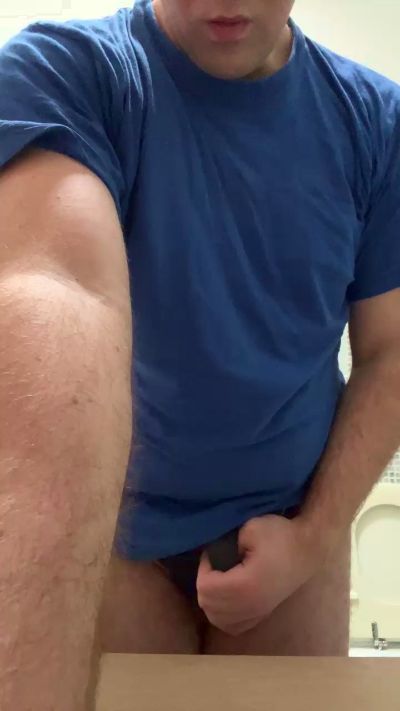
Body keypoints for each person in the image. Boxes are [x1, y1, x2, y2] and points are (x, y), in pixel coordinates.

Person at [1, 0, 400, 708]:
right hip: (117, 542)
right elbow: (52, 288)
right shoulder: (67, 75)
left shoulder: (375, 121)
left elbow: (390, 350)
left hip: (294, 521)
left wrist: (313, 539)